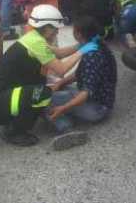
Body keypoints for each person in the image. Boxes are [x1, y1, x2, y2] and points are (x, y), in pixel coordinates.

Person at [0, 5, 90, 147]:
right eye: (55, 28)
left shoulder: (33, 38)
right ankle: (14, 132)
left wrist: (80, 46)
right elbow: (61, 70)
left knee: (39, 82)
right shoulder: (37, 43)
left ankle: (6, 117)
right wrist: (84, 51)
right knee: (41, 94)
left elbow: (59, 53)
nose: (57, 32)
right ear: (46, 27)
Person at [48, 15, 117, 149]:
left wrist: (63, 108)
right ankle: (62, 117)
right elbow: (79, 74)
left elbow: (85, 94)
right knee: (54, 89)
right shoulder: (95, 44)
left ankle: (67, 130)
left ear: (78, 34)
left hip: (97, 108)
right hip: (101, 99)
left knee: (43, 99)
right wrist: (59, 84)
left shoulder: (92, 55)